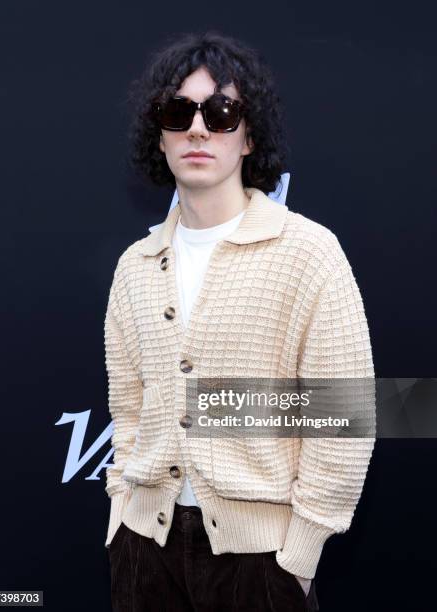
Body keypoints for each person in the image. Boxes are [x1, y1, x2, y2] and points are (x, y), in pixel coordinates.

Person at [103, 30, 375, 612]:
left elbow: (344, 416)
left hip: (262, 563)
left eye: (221, 112)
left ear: (249, 135)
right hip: (142, 551)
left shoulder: (306, 253)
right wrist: (117, 516)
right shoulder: (136, 265)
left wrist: (298, 557)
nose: (198, 129)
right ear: (161, 133)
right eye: (178, 112)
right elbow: (128, 410)